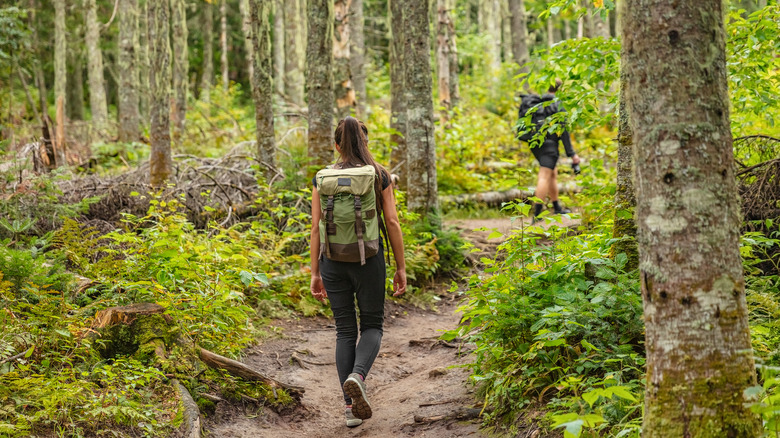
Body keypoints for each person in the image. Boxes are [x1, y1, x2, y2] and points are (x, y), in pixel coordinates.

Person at [310, 117, 407, 427]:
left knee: (344, 331)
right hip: (369, 261)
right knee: (373, 326)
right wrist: (402, 268)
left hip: (332, 260)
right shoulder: (379, 175)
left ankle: (350, 407)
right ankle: (358, 375)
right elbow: (391, 222)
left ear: (336, 145)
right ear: (365, 143)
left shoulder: (322, 178)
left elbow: (315, 228)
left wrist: (315, 273)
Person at [529, 79, 581, 221]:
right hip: (549, 146)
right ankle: (537, 214)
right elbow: (563, 131)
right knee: (544, 176)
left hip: (535, 144)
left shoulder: (539, 102)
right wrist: (572, 154)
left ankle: (557, 207)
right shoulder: (558, 104)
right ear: (560, 89)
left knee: (552, 173)